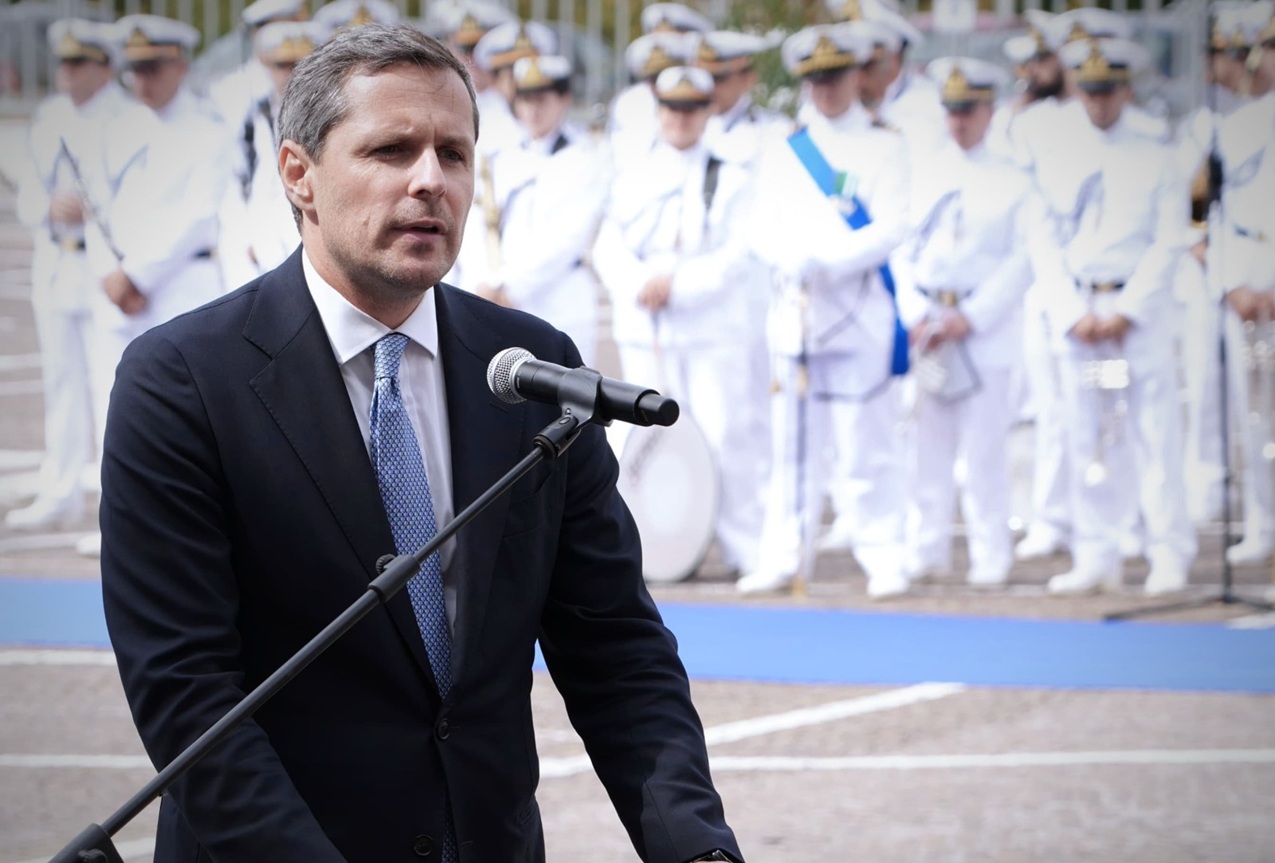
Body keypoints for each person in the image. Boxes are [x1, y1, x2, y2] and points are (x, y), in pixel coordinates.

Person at [99, 23, 742, 863]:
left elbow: (616, 648)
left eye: (454, 153)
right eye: (390, 150)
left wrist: (695, 846)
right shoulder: (183, 380)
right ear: (297, 173)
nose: (430, 180)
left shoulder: (532, 366)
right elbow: (186, 690)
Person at [740, 23, 911, 599]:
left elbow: (893, 226)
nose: (825, 89)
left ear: (856, 75)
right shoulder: (784, 146)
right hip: (797, 316)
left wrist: (826, 260)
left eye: (834, 76)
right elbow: (757, 223)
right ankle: (785, 555)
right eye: (815, 79)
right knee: (791, 447)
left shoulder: (885, 144)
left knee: (867, 446)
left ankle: (883, 554)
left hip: (858, 315)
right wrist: (787, 257)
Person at [593, 65, 768, 578]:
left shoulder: (730, 177)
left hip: (709, 329)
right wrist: (640, 282)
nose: (681, 118)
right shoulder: (632, 176)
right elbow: (607, 246)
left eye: (692, 108)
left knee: (725, 435)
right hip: (646, 327)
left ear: (708, 111)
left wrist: (678, 283)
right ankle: (654, 549)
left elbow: (738, 253)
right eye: (672, 108)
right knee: (645, 442)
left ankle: (743, 547)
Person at [1039, 36, 1196, 597]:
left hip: (1137, 312)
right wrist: (1070, 310)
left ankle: (1167, 551)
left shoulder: (1154, 154)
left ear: (1126, 90)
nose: (1098, 102)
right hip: (1081, 312)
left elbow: (1170, 238)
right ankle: (1096, 552)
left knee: (1154, 434)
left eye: (1108, 91)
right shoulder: (1060, 156)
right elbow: (1043, 239)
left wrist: (1128, 310)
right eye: (1090, 91)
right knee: (1087, 437)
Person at [77, 13, 228, 558]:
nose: (143, 80)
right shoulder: (115, 129)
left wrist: (137, 273)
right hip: (118, 293)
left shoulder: (208, 131)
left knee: (185, 413)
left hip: (179, 284)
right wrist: (109, 274)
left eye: (154, 68)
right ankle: (119, 525)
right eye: (136, 69)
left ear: (180, 66)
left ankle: (186, 523)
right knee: (112, 409)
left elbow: (199, 215)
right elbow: (92, 207)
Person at [895, 57, 1034, 588]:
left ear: (989, 111)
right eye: (951, 110)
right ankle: (926, 548)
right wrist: (916, 312)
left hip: (982, 329)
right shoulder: (923, 171)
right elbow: (899, 250)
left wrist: (972, 317)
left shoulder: (1013, 178)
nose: (958, 120)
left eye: (968, 110)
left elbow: (1023, 258)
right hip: (930, 325)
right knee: (924, 450)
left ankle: (990, 553)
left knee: (984, 451)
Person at [5, 18, 131, 532]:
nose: (66, 71)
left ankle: (111, 501)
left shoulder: (125, 116)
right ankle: (60, 490)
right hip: (56, 259)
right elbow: (26, 188)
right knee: (61, 381)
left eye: (78, 62)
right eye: (63, 62)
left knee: (108, 385)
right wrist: (48, 207)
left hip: (101, 265)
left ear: (104, 68)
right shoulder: (50, 115)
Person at [455, 54, 609, 365]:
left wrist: (506, 285)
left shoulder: (585, 159)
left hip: (557, 302)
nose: (532, 110)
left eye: (542, 99)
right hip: (496, 302)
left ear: (564, 100)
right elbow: (476, 223)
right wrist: (482, 285)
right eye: (525, 100)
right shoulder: (500, 156)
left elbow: (565, 238)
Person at [1213, 6, 1275, 565]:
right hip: (1246, 281)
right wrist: (1231, 283)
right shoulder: (1233, 127)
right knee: (1253, 417)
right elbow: (1212, 216)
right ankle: (1262, 522)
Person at [217, 19, 330, 290]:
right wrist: (245, 242)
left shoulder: (331, 121)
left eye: (301, 64)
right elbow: (234, 189)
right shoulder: (250, 119)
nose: (291, 74)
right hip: (257, 254)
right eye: (282, 65)